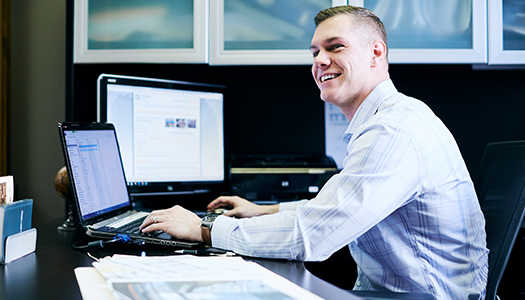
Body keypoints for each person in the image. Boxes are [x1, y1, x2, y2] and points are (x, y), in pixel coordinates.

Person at [140, 5, 488, 299]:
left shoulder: (392, 131)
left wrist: (203, 229)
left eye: (335, 47)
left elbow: (315, 236)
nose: (320, 60)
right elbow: (337, 208)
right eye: (314, 52)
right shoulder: (390, 118)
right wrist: (265, 211)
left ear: (376, 53)